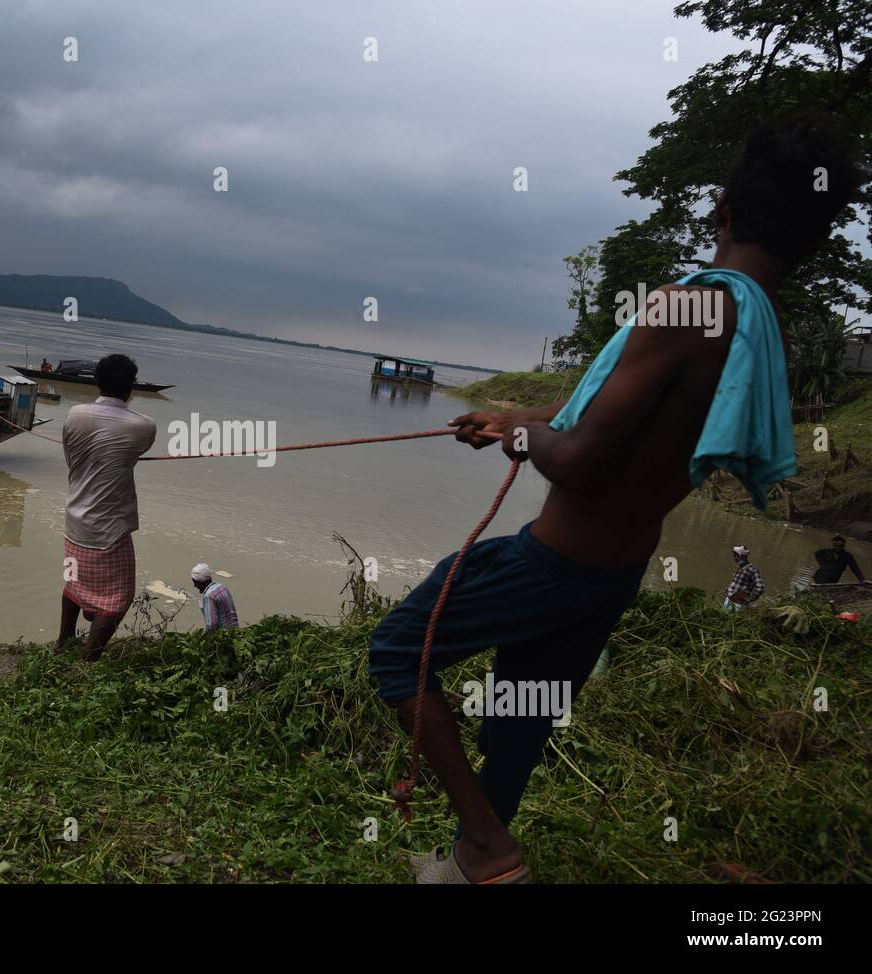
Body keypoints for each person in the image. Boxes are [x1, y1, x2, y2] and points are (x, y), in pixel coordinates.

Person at [369, 115, 864, 884]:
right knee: (521, 713)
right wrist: (517, 418)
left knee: (398, 652)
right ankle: (477, 864)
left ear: (724, 207)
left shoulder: (684, 308)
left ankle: (492, 848)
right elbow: (619, 428)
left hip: (551, 563)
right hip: (612, 573)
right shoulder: (759, 328)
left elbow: (581, 458)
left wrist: (524, 442)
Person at [56, 354, 157, 660]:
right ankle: (90, 658)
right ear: (131, 388)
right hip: (108, 531)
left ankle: (63, 640)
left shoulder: (73, 415)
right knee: (118, 598)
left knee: (74, 582)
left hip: (74, 520)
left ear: (96, 382)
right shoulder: (144, 426)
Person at [191, 563, 239, 631]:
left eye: (195, 582)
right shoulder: (223, 588)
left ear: (201, 582)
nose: (195, 586)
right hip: (236, 630)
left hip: (224, 635)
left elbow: (211, 625)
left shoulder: (209, 595)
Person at [723, 544, 765, 611]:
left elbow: (760, 587)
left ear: (742, 556)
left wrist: (750, 598)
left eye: (736, 556)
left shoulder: (752, 569)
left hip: (738, 606)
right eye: (734, 556)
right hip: (729, 601)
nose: (734, 558)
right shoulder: (741, 568)